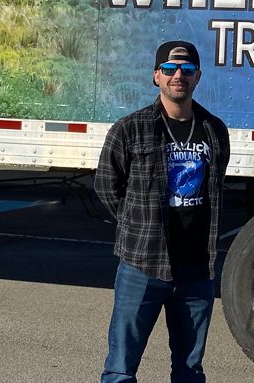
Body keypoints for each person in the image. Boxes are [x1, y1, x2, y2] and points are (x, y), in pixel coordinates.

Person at [96, 40, 230, 383]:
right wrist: (138, 224)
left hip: (196, 269)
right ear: (157, 76)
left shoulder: (214, 130)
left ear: (197, 76)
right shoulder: (130, 128)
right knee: (120, 368)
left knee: (189, 369)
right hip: (143, 264)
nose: (178, 75)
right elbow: (107, 185)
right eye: (170, 69)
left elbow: (216, 186)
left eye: (187, 69)